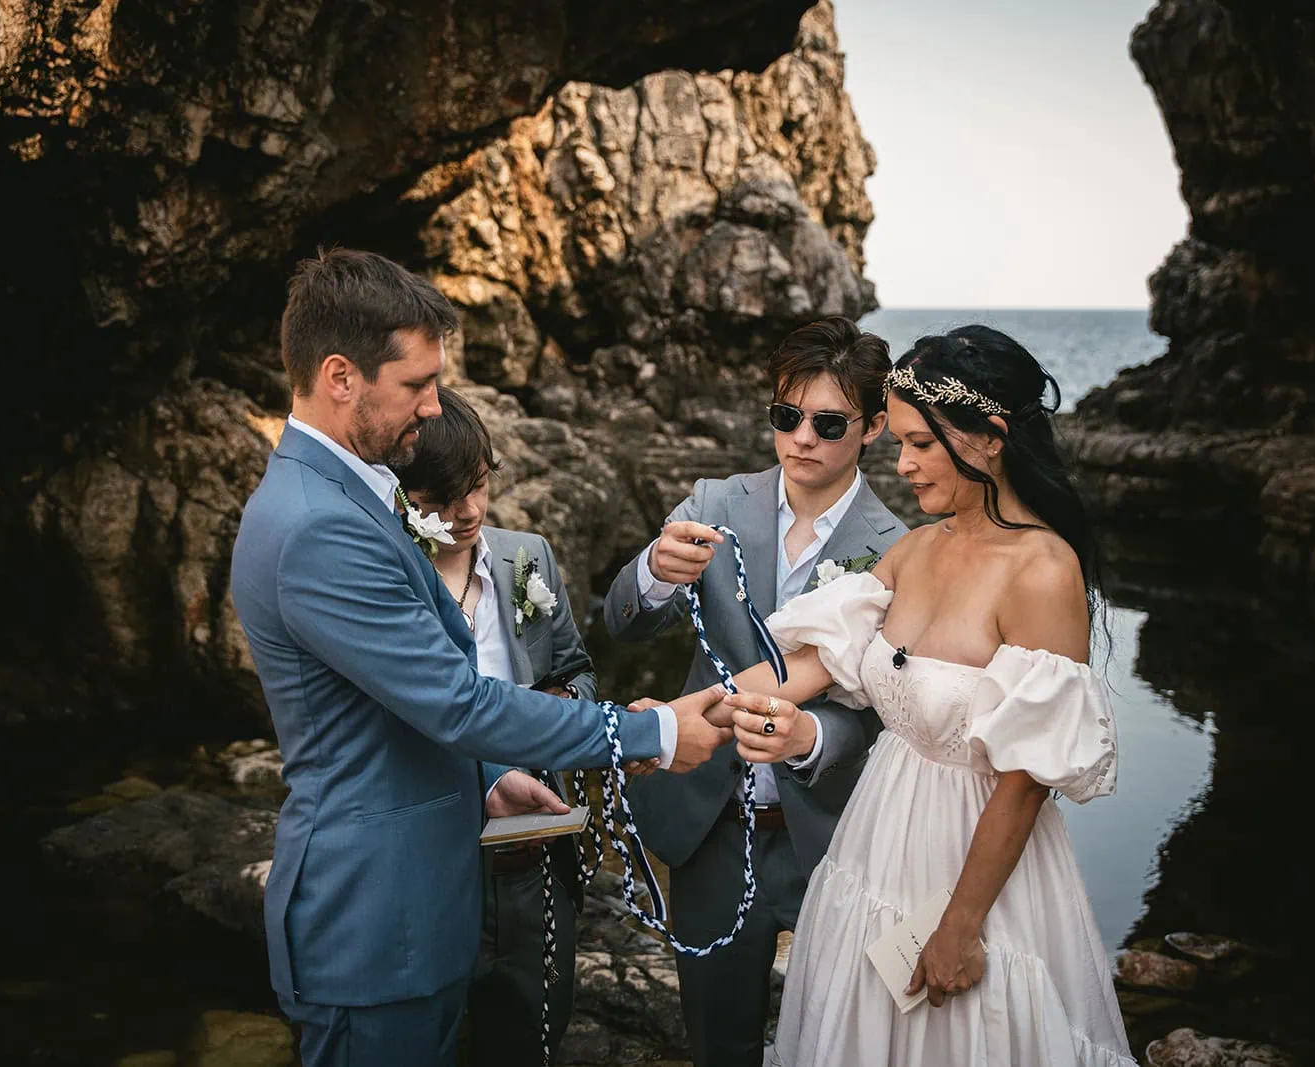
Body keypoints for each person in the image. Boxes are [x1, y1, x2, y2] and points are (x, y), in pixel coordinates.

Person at [229, 248, 730, 1067]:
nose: (434, 406)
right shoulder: (321, 524)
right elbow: (456, 700)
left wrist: (488, 779)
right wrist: (655, 734)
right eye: (417, 383)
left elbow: (386, 713)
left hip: (411, 916)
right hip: (371, 927)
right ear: (340, 376)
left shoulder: (346, 492)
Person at [720, 325, 1137, 1065]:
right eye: (901, 443)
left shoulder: (1042, 570)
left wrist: (960, 922)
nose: (903, 464)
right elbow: (805, 667)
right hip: (878, 833)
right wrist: (663, 721)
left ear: (988, 437)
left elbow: (1027, 776)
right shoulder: (915, 549)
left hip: (979, 858)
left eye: (920, 444)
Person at [603, 316, 908, 1067]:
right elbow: (622, 624)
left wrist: (814, 739)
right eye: (786, 415)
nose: (801, 437)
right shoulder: (713, 501)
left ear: (871, 428)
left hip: (835, 836)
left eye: (828, 422)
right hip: (709, 828)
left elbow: (893, 715)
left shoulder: (899, 546)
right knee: (717, 1042)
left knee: (847, 1040)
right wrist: (651, 570)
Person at [394, 386, 596, 1066]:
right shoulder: (389, 575)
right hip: (430, 853)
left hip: (533, 846)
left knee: (539, 1028)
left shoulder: (527, 554)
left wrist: (562, 708)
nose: (470, 511)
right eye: (447, 498)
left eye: (479, 485)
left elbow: (576, 667)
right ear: (405, 494)